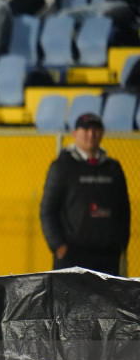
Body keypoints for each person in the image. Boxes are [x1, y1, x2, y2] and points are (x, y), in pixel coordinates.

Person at [40, 113, 131, 276]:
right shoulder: (62, 166)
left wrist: (121, 245)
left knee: (107, 302)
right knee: (70, 302)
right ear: (75, 134)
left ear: (102, 133)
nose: (91, 134)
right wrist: (59, 246)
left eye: (95, 129)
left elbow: (124, 210)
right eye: (85, 129)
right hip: (72, 256)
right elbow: (47, 210)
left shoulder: (113, 168)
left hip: (108, 256)